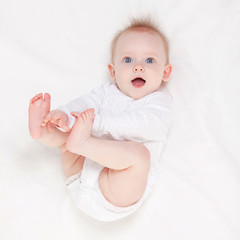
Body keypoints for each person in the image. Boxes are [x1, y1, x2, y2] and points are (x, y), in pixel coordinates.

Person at [28, 16, 173, 222]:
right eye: (128, 60)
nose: (138, 67)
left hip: (115, 191)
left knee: (140, 157)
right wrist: (64, 115)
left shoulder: (160, 103)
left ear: (165, 72)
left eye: (149, 60)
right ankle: (43, 130)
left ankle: (81, 142)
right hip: (79, 173)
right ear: (113, 71)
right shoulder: (106, 92)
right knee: (66, 134)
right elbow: (83, 104)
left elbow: (141, 125)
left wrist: (95, 124)